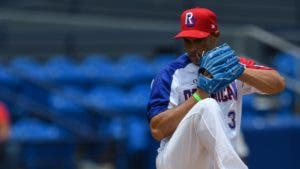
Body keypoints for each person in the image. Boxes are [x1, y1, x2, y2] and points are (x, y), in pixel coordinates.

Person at [147, 7, 285, 169]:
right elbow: (157, 130)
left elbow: (278, 83)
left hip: (214, 162)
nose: (192, 48)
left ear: (215, 36)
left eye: (198, 40)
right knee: (207, 105)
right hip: (178, 159)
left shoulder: (233, 66)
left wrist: (240, 71)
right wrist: (198, 96)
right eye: (187, 40)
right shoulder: (171, 74)